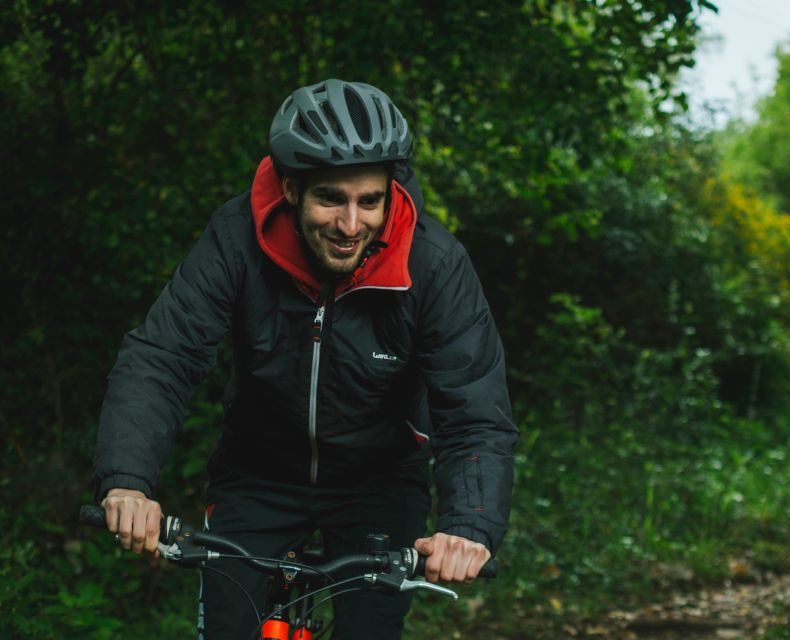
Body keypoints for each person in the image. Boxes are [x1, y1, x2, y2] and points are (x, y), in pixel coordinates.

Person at [92, 79, 517, 639]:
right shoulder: (236, 239)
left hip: (379, 483)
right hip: (258, 474)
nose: (350, 225)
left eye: (370, 200)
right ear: (291, 188)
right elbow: (163, 356)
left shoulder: (434, 264)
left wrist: (468, 527)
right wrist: (126, 482)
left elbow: (474, 409)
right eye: (330, 199)